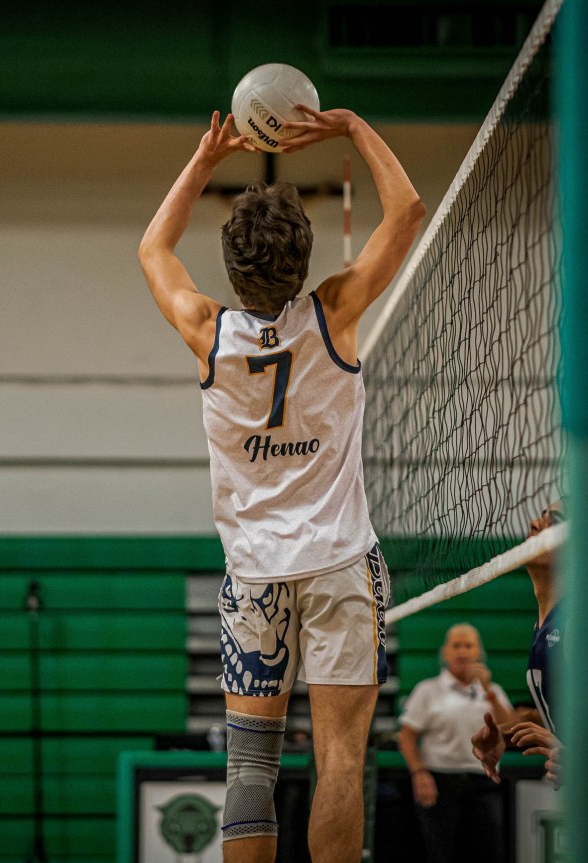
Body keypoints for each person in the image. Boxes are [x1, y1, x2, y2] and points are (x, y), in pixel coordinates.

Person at [139, 107, 425, 863]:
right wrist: (353, 126)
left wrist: (206, 157)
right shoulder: (336, 312)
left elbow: (153, 248)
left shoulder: (207, 330)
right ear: (302, 259)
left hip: (255, 577)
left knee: (249, 772)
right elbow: (407, 211)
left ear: (232, 265)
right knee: (341, 762)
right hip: (340, 567)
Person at [397, 623, 514, 863]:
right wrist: (419, 773)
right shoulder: (428, 690)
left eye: (468, 646)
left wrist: (489, 692)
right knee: (440, 854)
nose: (462, 652)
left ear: (478, 652)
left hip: (484, 781)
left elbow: (511, 730)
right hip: (440, 782)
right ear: (445, 653)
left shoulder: (493, 691)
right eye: (456, 646)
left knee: (487, 853)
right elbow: (406, 735)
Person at [471, 502, 565, 785]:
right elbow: (557, 713)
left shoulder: (583, 622)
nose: (534, 523)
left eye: (554, 521)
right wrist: (507, 735)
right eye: (541, 516)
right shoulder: (545, 622)